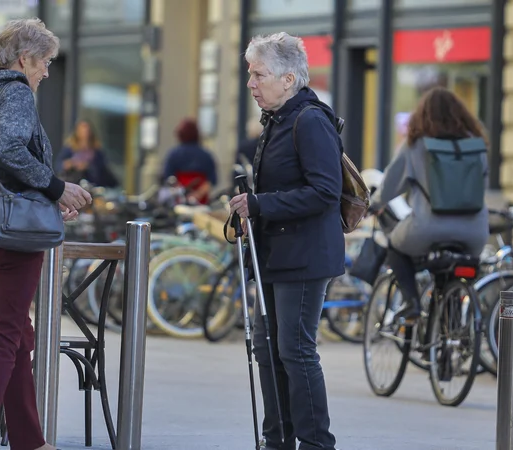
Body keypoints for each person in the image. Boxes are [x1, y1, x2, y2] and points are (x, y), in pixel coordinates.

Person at [0, 18, 91, 450]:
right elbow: (9, 150)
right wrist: (58, 188)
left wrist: (45, 203)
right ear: (23, 58)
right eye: (45, 62)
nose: (47, 72)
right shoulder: (15, 92)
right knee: (6, 335)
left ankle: (29, 441)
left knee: (16, 335)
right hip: (11, 232)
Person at [228, 32, 342, 450]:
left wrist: (260, 205)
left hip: (305, 256)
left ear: (289, 78)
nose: (251, 83)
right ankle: (277, 439)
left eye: (258, 75)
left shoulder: (310, 120)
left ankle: (315, 443)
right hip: (277, 253)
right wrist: (252, 210)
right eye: (250, 74)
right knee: (267, 348)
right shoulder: (279, 120)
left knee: (294, 350)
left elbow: (325, 191)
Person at [371, 87, 489, 322]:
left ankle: (411, 302)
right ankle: (452, 324)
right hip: (474, 233)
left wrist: (374, 205)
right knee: (453, 275)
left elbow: (390, 185)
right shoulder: (477, 145)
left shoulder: (416, 145)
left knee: (394, 246)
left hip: (427, 229)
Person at [161, 118, 218, 204]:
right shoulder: (206, 155)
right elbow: (211, 180)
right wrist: (197, 194)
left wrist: (183, 192)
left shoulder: (174, 154)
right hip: (201, 202)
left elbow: (168, 178)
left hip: (179, 200)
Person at [57, 119, 118, 188]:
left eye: (87, 131)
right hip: (74, 184)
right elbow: (59, 165)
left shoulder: (96, 150)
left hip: (92, 185)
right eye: (82, 130)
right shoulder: (69, 148)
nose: (84, 133)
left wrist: (87, 166)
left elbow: (102, 169)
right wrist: (71, 164)